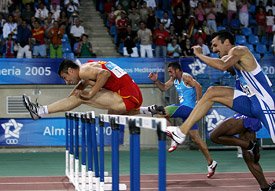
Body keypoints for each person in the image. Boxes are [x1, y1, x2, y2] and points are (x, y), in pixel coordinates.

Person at [166, 30, 275, 162]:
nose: (213, 49)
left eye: (215, 45)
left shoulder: (240, 50)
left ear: (227, 42)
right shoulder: (231, 58)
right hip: (251, 101)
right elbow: (223, 63)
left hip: (264, 103)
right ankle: (181, 132)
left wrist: (200, 55)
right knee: (212, 91)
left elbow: (222, 66)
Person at [23, 59, 160, 120]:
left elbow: (104, 74)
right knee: (111, 115)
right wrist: (70, 99)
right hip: (133, 93)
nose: (66, 82)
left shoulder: (84, 70)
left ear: (71, 70)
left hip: (127, 96)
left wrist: (91, 93)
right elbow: (84, 84)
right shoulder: (86, 68)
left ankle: (40, 111)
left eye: (66, 78)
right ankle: (145, 110)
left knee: (80, 97)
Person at [148, 61, 218, 178]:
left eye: (171, 71)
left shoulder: (186, 76)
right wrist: (156, 81)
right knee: (196, 139)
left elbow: (198, 86)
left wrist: (198, 103)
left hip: (188, 109)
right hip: (187, 113)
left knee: (161, 113)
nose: (169, 74)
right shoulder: (174, 80)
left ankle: (175, 135)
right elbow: (164, 88)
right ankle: (211, 163)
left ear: (177, 70)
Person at [210, 74, 275, 191]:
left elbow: (267, 90)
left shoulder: (252, 72)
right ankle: (264, 187)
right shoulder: (239, 75)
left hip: (249, 114)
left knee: (214, 136)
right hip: (247, 114)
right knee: (248, 156)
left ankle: (249, 145)